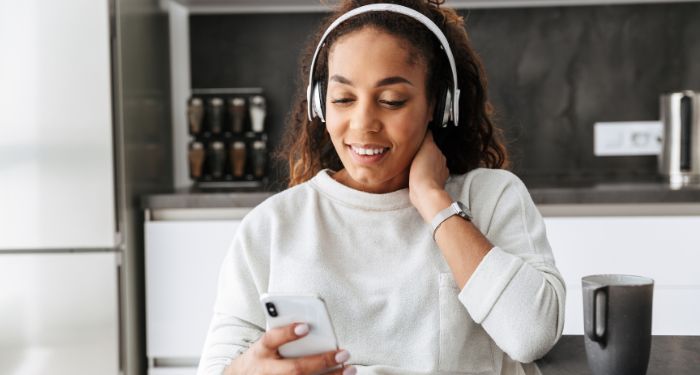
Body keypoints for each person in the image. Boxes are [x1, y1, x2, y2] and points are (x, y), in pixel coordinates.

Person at [197, 0, 565, 374]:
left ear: (438, 106)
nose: (362, 123)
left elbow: (531, 335)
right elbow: (217, 367)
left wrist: (435, 204)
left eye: (391, 101)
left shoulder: (491, 198)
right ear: (319, 105)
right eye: (343, 99)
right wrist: (247, 370)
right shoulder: (272, 226)